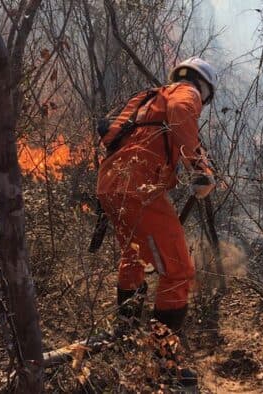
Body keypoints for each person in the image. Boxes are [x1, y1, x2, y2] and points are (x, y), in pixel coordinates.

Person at [96, 57, 217, 337]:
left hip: (109, 185)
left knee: (133, 258)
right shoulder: (185, 93)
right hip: (138, 188)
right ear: (204, 86)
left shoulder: (148, 99)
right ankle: (165, 362)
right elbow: (180, 110)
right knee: (178, 272)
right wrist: (200, 170)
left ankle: (125, 335)